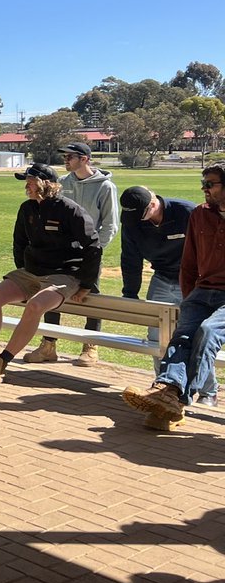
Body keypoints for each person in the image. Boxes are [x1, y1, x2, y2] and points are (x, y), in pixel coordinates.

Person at [0, 163, 99, 387]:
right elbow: (19, 243)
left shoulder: (70, 210)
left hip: (64, 276)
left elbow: (93, 247)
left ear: (47, 184)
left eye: (30, 182)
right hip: (31, 272)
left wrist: (86, 284)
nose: (27, 186)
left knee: (34, 306)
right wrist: (22, 273)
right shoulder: (27, 209)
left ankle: (1, 363)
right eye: (27, 183)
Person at [123, 164, 225, 427]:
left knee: (208, 332)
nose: (204, 189)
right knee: (181, 336)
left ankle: (176, 399)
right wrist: (191, 294)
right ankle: (166, 390)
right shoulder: (200, 215)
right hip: (202, 291)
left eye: (211, 184)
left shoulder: (185, 210)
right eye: (203, 183)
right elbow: (189, 260)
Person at [23, 141, 118, 367]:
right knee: (50, 292)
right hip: (59, 254)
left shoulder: (105, 187)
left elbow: (111, 224)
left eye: (69, 157)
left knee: (91, 294)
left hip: (89, 251)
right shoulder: (62, 183)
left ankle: (90, 346)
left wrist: (93, 251)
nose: (65, 161)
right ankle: (48, 345)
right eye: (64, 157)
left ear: (84, 159)